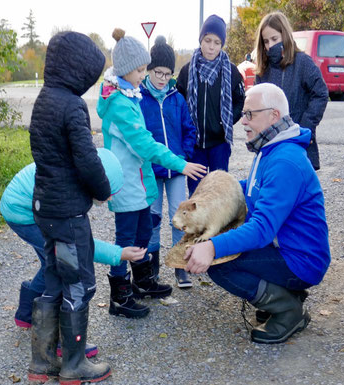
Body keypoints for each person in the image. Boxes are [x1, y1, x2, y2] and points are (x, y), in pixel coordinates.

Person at [184, 83, 331, 345]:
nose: (242, 121)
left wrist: (212, 247)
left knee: (221, 263)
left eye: (250, 114)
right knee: (222, 244)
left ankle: (288, 310)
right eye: (243, 114)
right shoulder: (271, 148)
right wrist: (209, 203)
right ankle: (286, 294)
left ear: (274, 116)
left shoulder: (284, 161)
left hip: (302, 261)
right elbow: (251, 190)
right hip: (288, 250)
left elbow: (262, 229)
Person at [97, 28, 207, 320]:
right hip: (127, 183)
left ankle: (142, 281)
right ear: (126, 70)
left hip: (141, 181)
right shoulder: (119, 103)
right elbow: (144, 143)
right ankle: (120, 296)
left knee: (145, 230)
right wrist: (180, 164)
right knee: (126, 239)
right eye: (141, 70)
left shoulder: (129, 93)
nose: (144, 75)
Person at [0, 148, 147, 356]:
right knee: (62, 268)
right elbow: (80, 245)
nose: (107, 201)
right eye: (106, 195)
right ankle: (62, 341)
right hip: (23, 214)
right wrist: (119, 254)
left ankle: (26, 313)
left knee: (50, 263)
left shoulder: (72, 175)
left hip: (19, 204)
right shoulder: (67, 199)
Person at [28, 31, 112, 385]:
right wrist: (103, 190)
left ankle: (42, 361)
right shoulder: (72, 105)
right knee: (77, 282)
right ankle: (74, 364)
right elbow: (87, 159)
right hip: (67, 215)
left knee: (53, 279)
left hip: (44, 208)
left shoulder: (44, 98)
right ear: (78, 70)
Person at [139, 36, 197, 289]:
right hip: (151, 169)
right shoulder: (139, 98)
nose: (162, 78)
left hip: (176, 169)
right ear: (149, 71)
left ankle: (179, 265)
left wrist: (183, 156)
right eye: (158, 72)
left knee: (179, 216)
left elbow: (189, 130)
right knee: (152, 217)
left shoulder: (177, 99)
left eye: (167, 73)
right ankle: (151, 267)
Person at [177, 14, 245, 196]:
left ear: (221, 44)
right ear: (201, 40)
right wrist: (187, 127)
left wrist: (227, 122)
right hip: (195, 145)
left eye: (217, 42)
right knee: (197, 194)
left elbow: (241, 100)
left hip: (219, 145)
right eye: (208, 40)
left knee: (219, 193)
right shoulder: (187, 70)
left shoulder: (231, 71)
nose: (211, 46)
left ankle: (220, 226)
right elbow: (179, 103)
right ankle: (198, 225)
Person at [254, 11, 328, 171]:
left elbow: (321, 93)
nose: (270, 45)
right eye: (266, 41)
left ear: (285, 35)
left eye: (274, 39)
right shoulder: (262, 71)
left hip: (299, 143)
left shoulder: (303, 62)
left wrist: (305, 126)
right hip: (270, 145)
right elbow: (256, 107)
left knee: (300, 191)